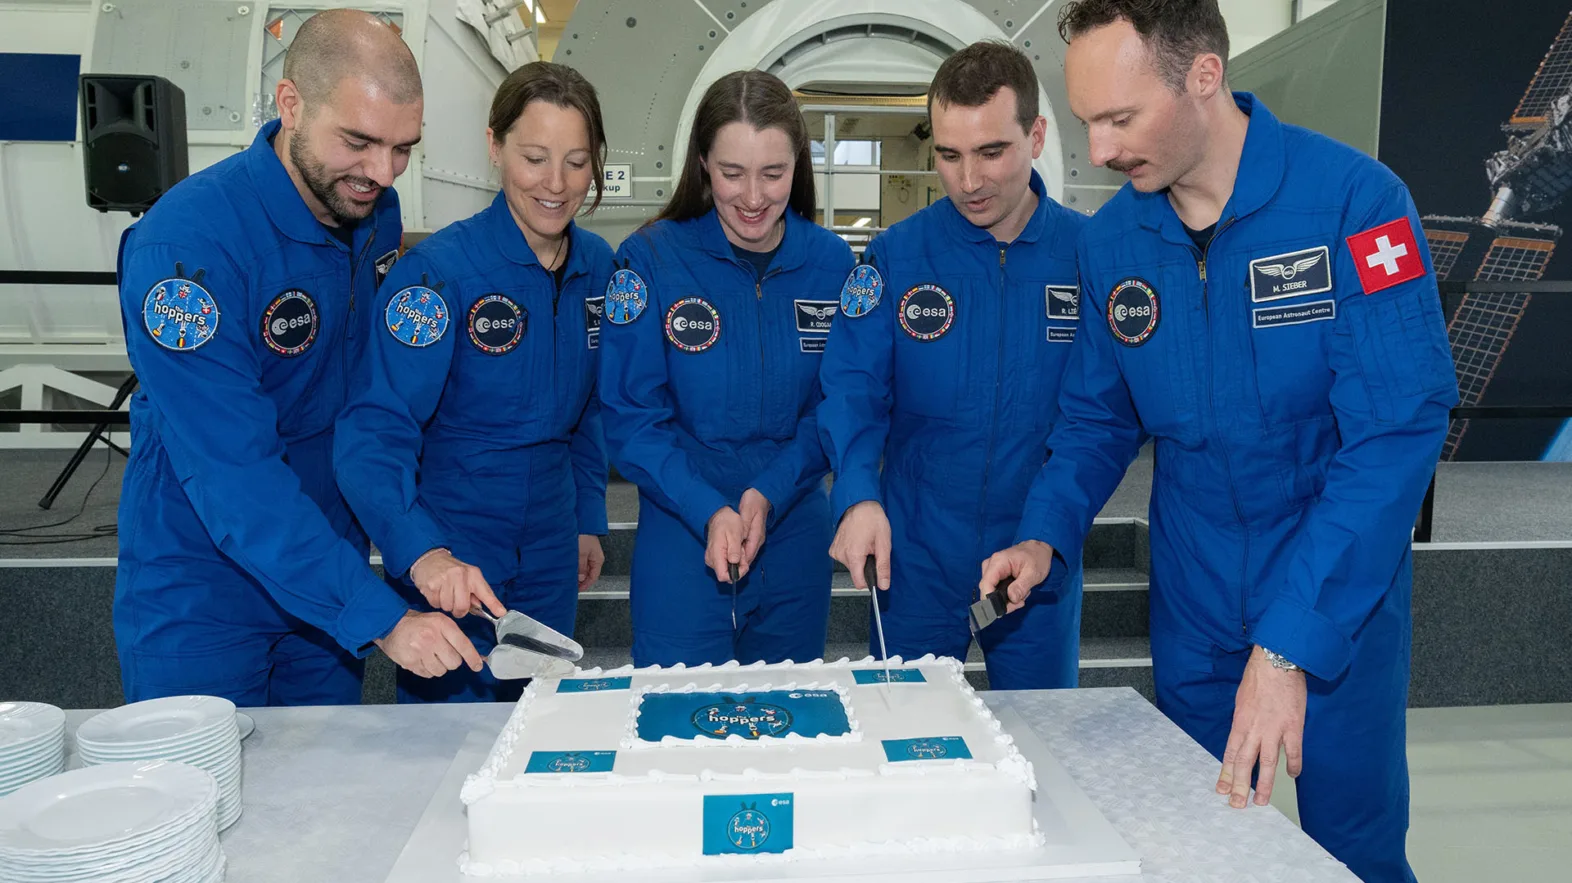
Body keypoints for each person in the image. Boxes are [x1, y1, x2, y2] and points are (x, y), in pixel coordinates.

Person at [978, 3, 1457, 881]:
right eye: (1087, 121)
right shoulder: (1117, 239)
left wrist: (1290, 644)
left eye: (1121, 118)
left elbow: (1396, 433)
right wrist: (1045, 530)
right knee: (1190, 841)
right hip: (1194, 594)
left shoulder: (1356, 204)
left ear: (1203, 77)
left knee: (1349, 851)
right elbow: (1097, 415)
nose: (1098, 151)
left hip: (1331, 591)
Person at [113, 9, 486, 706]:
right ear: (290, 105)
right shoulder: (187, 249)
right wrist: (382, 617)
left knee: (322, 808)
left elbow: (367, 413)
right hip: (205, 586)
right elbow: (234, 472)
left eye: (403, 147)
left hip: (327, 579)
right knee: (202, 802)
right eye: (359, 141)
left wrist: (417, 548)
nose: (381, 171)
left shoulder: (370, 214)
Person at [334, 61, 613, 703]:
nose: (556, 183)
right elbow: (374, 435)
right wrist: (422, 552)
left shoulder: (600, 268)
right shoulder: (437, 276)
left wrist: (587, 517)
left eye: (576, 161)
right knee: (445, 744)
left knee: (540, 725)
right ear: (495, 147)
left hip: (551, 532)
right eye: (535, 157)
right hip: (456, 536)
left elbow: (592, 407)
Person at [816, 41, 1087, 690]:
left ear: (1037, 135)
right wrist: (856, 494)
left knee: (1042, 754)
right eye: (948, 154)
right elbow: (852, 388)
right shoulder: (895, 258)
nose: (969, 181)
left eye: (992, 152)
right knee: (909, 753)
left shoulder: (1090, 256)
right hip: (916, 559)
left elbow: (1101, 418)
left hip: (1036, 558)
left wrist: (1047, 535)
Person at [598, 70, 855, 667]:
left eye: (774, 173)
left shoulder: (832, 263)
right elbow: (633, 417)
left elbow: (839, 404)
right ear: (702, 165)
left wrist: (769, 492)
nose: (754, 197)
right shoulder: (651, 258)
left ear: (799, 165)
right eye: (731, 173)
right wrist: (706, 507)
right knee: (675, 728)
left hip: (792, 523)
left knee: (791, 723)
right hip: (683, 524)